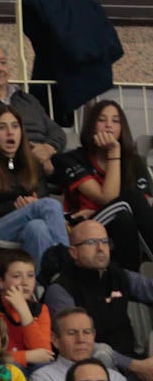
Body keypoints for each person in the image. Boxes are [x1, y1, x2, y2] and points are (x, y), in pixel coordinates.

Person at [42, 220, 153, 381]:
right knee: (101, 352)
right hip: (88, 369)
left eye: (105, 242)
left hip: (132, 361)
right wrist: (135, 365)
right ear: (74, 252)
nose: (101, 248)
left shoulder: (119, 276)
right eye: (91, 242)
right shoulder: (60, 290)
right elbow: (77, 345)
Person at [0, 104, 71, 258]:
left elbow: (40, 200)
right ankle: (66, 264)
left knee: (37, 228)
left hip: (24, 229)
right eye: (1, 127)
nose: (10, 132)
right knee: (49, 205)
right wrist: (14, 207)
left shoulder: (32, 163)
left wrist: (30, 206)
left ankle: (46, 279)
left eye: (15, 126)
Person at [53, 99, 153, 271]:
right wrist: (114, 152)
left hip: (121, 221)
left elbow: (146, 205)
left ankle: (127, 283)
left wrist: (113, 207)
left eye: (115, 121)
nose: (108, 126)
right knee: (130, 199)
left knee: (124, 217)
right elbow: (106, 197)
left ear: (122, 128)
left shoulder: (134, 162)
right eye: (102, 120)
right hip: (88, 227)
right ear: (92, 126)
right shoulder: (71, 159)